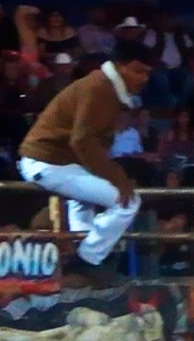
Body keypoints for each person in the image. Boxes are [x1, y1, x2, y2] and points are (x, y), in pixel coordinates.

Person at [17, 43, 153, 285]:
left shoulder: (104, 86)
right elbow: (83, 141)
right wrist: (117, 177)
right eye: (137, 70)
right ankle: (87, 260)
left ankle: (83, 258)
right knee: (128, 202)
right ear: (120, 67)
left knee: (84, 202)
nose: (143, 78)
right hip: (48, 162)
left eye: (147, 73)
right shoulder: (100, 88)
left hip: (58, 161)